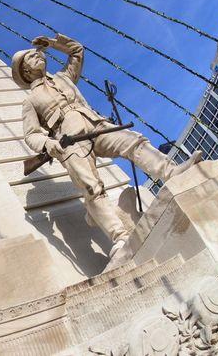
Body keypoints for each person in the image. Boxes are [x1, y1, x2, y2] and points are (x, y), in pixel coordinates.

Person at [12, 33, 200, 260]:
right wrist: (49, 144)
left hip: (97, 125)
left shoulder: (64, 77)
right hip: (69, 141)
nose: (37, 55)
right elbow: (31, 134)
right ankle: (119, 236)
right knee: (92, 188)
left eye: (36, 53)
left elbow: (77, 50)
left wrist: (52, 43)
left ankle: (172, 173)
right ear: (26, 71)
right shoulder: (30, 100)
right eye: (31, 58)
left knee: (133, 141)